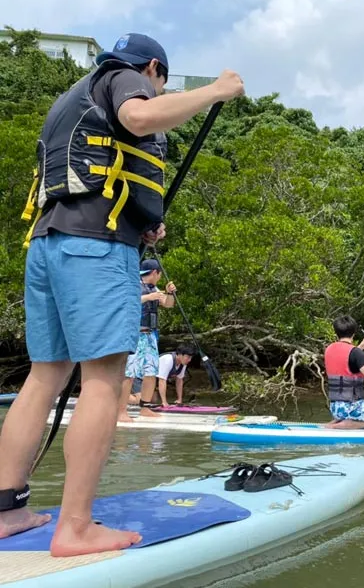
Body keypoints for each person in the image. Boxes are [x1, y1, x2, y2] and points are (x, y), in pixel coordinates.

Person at [0, 32, 244, 557]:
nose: (157, 92)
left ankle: (7, 512)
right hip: (94, 249)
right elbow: (138, 118)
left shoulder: (74, 95)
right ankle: (76, 527)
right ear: (153, 67)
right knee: (105, 381)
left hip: (48, 244)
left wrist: (141, 222)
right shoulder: (127, 77)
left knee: (44, 378)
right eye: (161, 83)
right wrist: (215, 91)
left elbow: (98, 171)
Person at [117, 258, 176, 422]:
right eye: (159, 275)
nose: (160, 278)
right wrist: (149, 297)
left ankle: (145, 408)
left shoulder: (154, 289)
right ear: (155, 273)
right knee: (129, 373)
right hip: (135, 335)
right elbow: (128, 302)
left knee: (151, 372)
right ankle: (121, 411)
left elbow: (168, 304)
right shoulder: (134, 285)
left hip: (150, 336)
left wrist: (170, 293)